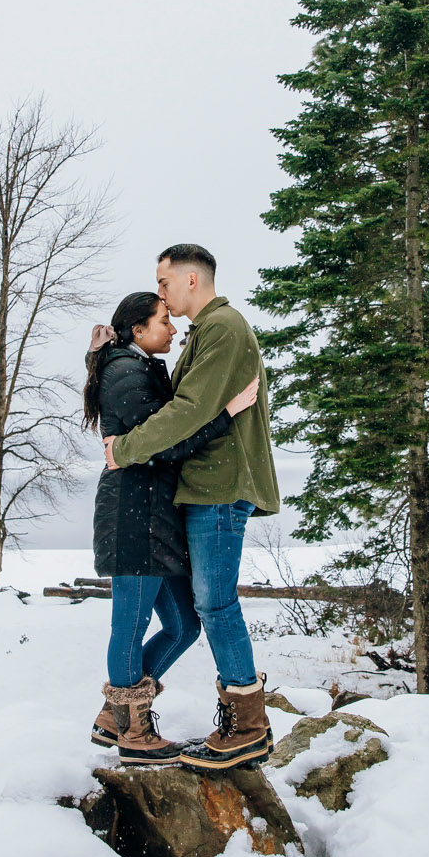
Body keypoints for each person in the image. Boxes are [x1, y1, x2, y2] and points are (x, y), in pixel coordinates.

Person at [104, 244, 282, 769]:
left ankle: (247, 723)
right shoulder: (205, 334)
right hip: (202, 488)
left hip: (221, 489)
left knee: (213, 604)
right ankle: (121, 713)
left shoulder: (224, 328)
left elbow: (186, 411)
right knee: (201, 607)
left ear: (189, 280)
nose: (158, 292)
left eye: (162, 282)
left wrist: (126, 449)